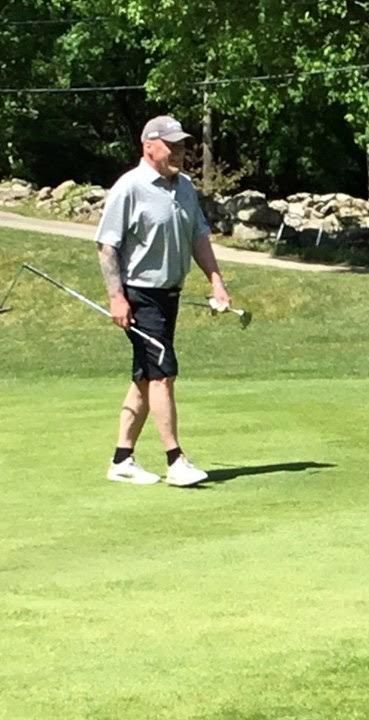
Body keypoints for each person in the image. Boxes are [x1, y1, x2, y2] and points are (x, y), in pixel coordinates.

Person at [95, 114, 231, 486]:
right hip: (139, 295)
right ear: (149, 146)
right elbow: (107, 247)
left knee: (146, 376)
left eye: (182, 145)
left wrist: (216, 281)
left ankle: (122, 459)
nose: (179, 152)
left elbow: (198, 236)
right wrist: (116, 298)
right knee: (163, 373)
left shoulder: (184, 187)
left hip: (170, 295)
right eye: (171, 145)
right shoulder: (130, 187)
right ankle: (175, 460)